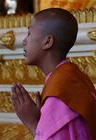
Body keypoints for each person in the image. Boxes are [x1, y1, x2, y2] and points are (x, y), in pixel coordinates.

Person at [11, 8, 96, 140]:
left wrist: (32, 122)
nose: (24, 41)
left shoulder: (59, 92)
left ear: (48, 41)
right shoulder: (75, 77)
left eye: (29, 33)